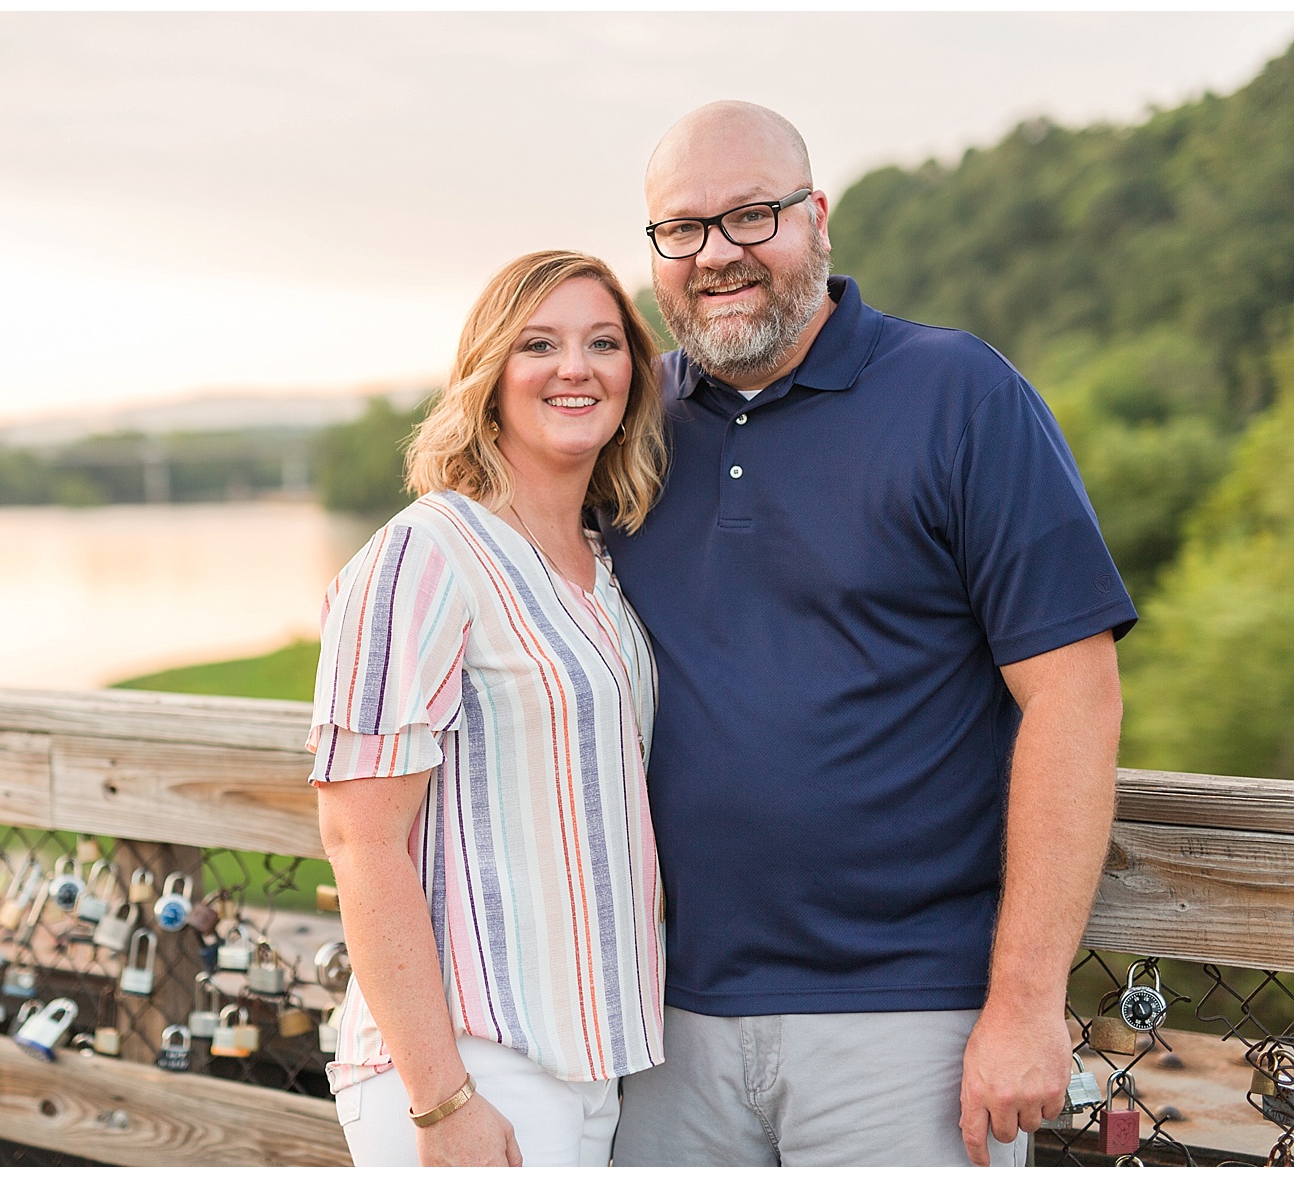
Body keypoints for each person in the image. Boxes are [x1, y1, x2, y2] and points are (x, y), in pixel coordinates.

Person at [603, 102, 1137, 1167]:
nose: (717, 255)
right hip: (659, 1020)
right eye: (683, 228)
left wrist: (1027, 1003)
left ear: (818, 218)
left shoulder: (961, 395)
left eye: (752, 216)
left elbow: (1074, 697)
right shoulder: (624, 423)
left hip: (907, 1022)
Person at [308, 250, 669, 1166]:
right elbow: (361, 840)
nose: (575, 367)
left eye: (602, 342)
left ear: (634, 371)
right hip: (467, 1067)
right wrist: (441, 1102)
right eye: (537, 344)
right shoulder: (424, 555)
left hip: (591, 1070)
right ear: (489, 376)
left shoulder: (600, 570)